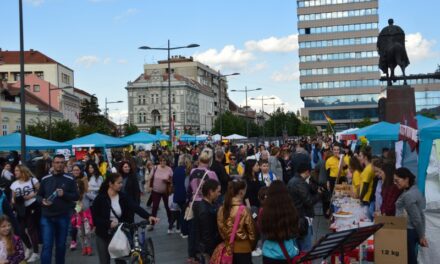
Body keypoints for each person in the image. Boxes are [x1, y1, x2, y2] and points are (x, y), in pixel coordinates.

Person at [91, 173, 159, 264]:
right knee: (104, 261)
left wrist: (148, 216)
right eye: (118, 183)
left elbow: (135, 207)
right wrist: (108, 223)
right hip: (103, 234)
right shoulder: (100, 198)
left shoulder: (123, 196)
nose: (121, 185)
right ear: (110, 184)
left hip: (118, 233)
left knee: (121, 260)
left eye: (121, 183)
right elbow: (95, 218)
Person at [37, 154, 79, 264]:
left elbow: (76, 196)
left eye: (61, 162)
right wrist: (42, 201)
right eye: (57, 162)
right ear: (53, 164)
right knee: (47, 245)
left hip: (63, 216)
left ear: (64, 164)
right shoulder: (45, 179)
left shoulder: (70, 179)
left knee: (61, 246)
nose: (59, 165)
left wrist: (64, 194)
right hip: (47, 216)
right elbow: (38, 195)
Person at [187, 149, 218, 263]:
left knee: (194, 229)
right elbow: (216, 189)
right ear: (210, 160)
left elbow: (189, 188)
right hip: (205, 202)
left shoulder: (192, 171)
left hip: (194, 201)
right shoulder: (211, 174)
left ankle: (192, 254)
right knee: (206, 230)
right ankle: (205, 253)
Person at [217, 180, 256, 264]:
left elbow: (221, 228)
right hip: (244, 248)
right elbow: (251, 232)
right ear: (241, 192)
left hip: (228, 247)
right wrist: (252, 245)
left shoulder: (222, 209)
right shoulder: (244, 210)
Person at [394, 167, 428, 263]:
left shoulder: (409, 195)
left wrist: (421, 236)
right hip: (412, 230)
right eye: (394, 181)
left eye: (397, 180)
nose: (395, 183)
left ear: (406, 179)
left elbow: (416, 217)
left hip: (409, 231)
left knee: (409, 259)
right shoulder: (414, 190)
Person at [260, 181, 299, 263]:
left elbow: (262, 230)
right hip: (287, 252)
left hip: (269, 252)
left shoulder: (265, 211)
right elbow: (295, 230)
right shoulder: (291, 210)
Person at [10, 165, 40, 262]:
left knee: (31, 229)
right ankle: (29, 247)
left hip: (31, 206)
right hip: (20, 209)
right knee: (20, 231)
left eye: (17, 170)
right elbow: (13, 198)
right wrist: (13, 201)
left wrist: (32, 195)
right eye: (15, 170)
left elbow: (40, 192)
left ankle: (36, 252)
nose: (15, 172)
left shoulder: (33, 180)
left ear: (23, 171)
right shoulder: (14, 184)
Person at [288, 163, 321, 251]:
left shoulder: (295, 180)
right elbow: (309, 201)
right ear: (307, 172)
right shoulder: (299, 182)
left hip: (297, 217)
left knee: (298, 246)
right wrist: (319, 195)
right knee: (305, 246)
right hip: (303, 218)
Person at [194, 179, 221, 262]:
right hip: (209, 249)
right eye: (217, 191)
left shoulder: (206, 205)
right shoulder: (205, 210)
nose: (219, 194)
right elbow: (206, 235)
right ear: (210, 192)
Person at [69, 164, 93, 255]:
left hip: (86, 214)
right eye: (74, 170)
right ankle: (83, 247)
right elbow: (70, 198)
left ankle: (89, 247)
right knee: (80, 232)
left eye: (77, 170)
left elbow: (93, 196)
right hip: (77, 214)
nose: (75, 171)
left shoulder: (85, 191)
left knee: (87, 232)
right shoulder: (70, 180)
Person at [149, 155, 173, 232]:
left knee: (168, 207)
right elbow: (150, 177)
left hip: (165, 191)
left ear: (166, 162)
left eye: (164, 161)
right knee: (155, 207)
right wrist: (149, 187)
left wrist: (168, 181)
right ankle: (152, 223)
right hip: (155, 191)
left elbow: (172, 179)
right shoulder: (155, 168)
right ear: (159, 161)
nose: (163, 162)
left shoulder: (169, 169)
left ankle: (170, 222)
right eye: (161, 161)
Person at [359, 147, 375, 220]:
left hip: (366, 198)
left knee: (366, 219)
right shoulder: (368, 167)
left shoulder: (368, 169)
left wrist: (360, 198)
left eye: (360, 156)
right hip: (366, 197)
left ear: (365, 157)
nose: (359, 158)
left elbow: (365, 186)